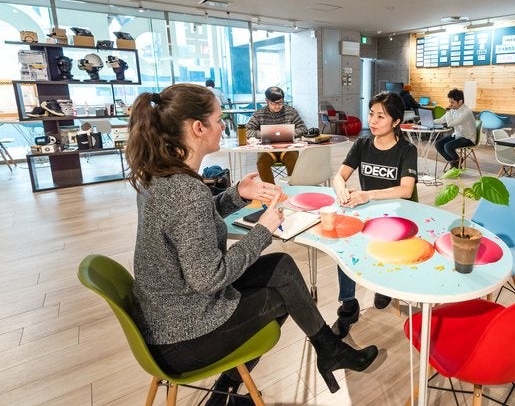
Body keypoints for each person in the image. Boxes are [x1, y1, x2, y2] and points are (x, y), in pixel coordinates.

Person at [125, 84, 377, 404]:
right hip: (182, 337)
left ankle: (327, 350)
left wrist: (237, 194)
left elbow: (191, 225)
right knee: (283, 296)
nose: (224, 127)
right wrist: (262, 230)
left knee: (281, 266)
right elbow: (209, 278)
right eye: (219, 120)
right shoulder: (186, 191)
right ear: (198, 128)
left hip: (166, 315)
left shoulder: (159, 176)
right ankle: (230, 389)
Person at [330, 91, 418, 338]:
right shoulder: (362, 145)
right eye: (371, 114)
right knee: (343, 246)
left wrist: (368, 195)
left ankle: (384, 286)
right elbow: (339, 176)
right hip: (367, 213)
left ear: (396, 121)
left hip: (396, 217)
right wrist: (341, 190)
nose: (373, 121)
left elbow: (406, 189)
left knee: (384, 250)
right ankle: (348, 305)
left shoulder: (406, 150)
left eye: (381, 116)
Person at [246, 87, 307, 184]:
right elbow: (248, 130)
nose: (277, 106)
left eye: (280, 103)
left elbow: (303, 128)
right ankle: (271, 189)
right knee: (261, 162)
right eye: (273, 103)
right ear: (267, 101)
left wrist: (291, 133)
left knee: (293, 160)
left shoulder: (290, 111)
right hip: (267, 149)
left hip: (288, 148)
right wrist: (262, 134)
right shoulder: (260, 113)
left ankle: (294, 187)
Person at [434, 88, 477, 168]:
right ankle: (456, 162)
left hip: (468, 138)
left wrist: (448, 111)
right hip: (457, 135)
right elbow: (441, 120)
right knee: (438, 144)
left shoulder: (466, 112)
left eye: (452, 102)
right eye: (450, 102)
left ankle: (455, 164)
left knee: (447, 146)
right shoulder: (453, 110)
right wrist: (429, 121)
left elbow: (451, 124)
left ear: (460, 102)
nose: (450, 105)